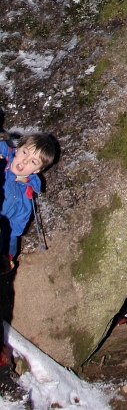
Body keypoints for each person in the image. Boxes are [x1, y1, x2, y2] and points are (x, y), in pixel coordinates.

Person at [0, 132, 58, 379]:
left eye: (34, 161)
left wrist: (7, 255)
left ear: (38, 170)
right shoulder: (3, 157)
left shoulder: (25, 196)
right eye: (25, 152)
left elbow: (14, 229)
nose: (25, 160)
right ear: (18, 147)